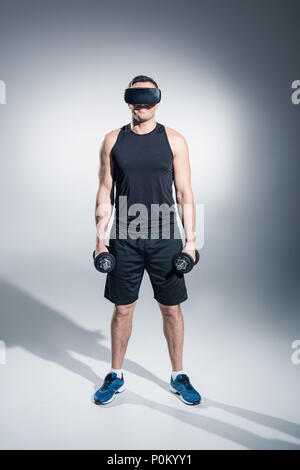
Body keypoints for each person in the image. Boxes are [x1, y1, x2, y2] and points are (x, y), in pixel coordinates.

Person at [93, 75, 201, 406]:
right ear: (128, 100)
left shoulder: (175, 140)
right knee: (123, 308)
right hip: (124, 237)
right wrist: (100, 241)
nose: (142, 103)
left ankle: (178, 375)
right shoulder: (113, 140)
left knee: (171, 308)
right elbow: (104, 190)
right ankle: (116, 374)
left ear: (157, 99)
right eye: (136, 97)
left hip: (165, 237)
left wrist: (191, 242)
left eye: (148, 96)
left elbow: (185, 193)